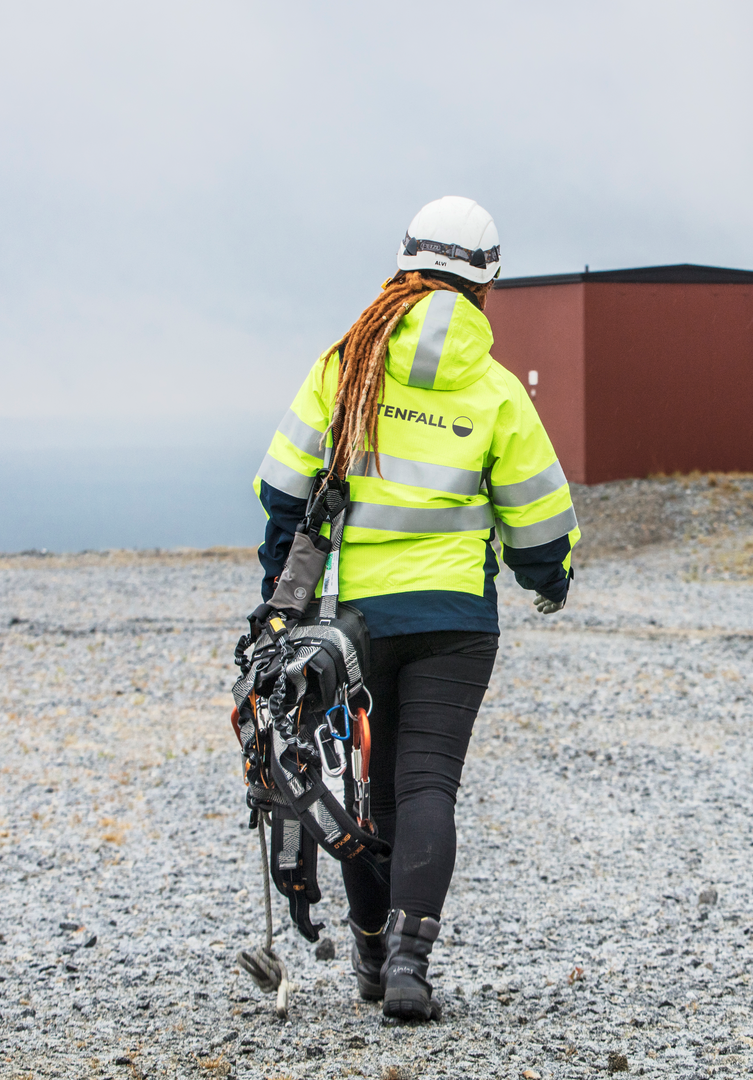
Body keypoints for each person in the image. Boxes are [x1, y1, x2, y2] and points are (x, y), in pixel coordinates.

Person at [251, 195, 578, 1021]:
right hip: (458, 621)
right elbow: (542, 533)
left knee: (369, 794)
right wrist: (547, 583)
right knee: (430, 782)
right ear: (486, 284)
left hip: (356, 624)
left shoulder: (348, 364)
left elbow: (282, 491)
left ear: (404, 265)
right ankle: (409, 964)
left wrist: (276, 603)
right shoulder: (498, 391)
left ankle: (367, 953)